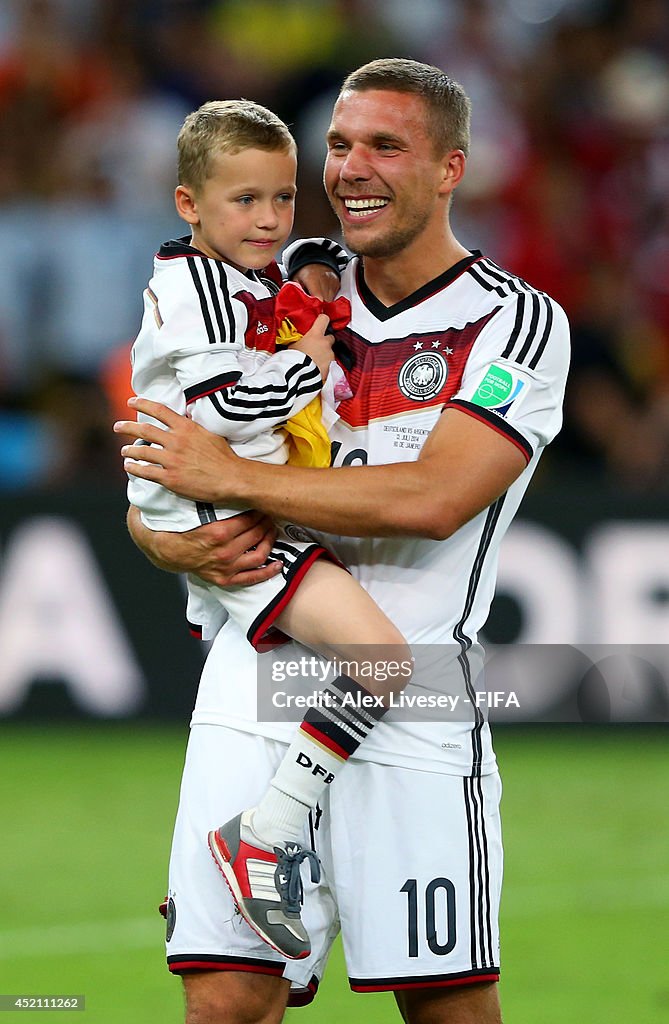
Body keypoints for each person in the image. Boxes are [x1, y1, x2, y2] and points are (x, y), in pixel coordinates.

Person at [115, 59, 570, 1024]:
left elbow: (435, 496)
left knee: (446, 1009)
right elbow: (168, 448)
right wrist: (163, 538)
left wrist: (226, 479)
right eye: (338, 144)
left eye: (385, 147)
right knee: (224, 1003)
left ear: (450, 169)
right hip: (256, 673)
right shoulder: (270, 281)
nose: (350, 168)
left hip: (416, 702)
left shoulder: (515, 321)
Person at [127, 98, 413, 961]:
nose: (268, 220)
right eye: (244, 201)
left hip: (229, 509)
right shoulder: (193, 292)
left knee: (289, 694)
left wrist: (315, 268)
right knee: (384, 663)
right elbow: (220, 411)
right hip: (228, 517)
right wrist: (306, 364)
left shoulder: (236, 273)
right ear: (188, 205)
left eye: (282, 198)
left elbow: (298, 265)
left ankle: (274, 904)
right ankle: (270, 836)